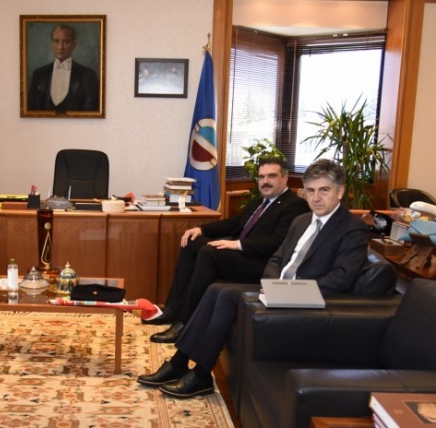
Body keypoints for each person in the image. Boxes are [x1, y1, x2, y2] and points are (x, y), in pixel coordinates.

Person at [137, 159, 369, 399]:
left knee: (225, 294)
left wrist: (291, 290)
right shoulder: (302, 221)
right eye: (311, 191)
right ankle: (181, 363)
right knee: (216, 289)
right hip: (276, 290)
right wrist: (271, 284)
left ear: (340, 191)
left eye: (324, 190)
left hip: (306, 299)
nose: (316, 198)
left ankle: (200, 373)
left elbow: (342, 278)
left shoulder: (352, 228)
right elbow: (277, 258)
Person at [146, 158, 310, 345]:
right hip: (242, 255)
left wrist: (238, 245)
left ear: (284, 178)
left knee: (209, 253)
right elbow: (234, 223)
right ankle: (172, 309)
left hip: (259, 263)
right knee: (192, 242)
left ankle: (185, 323)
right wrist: (202, 229)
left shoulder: (294, 205)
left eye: (271, 176)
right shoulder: (260, 202)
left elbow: (279, 242)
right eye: (262, 177)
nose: (265, 181)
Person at [27, 24, 99, 111]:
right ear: (52, 44)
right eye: (56, 41)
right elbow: (31, 108)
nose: (60, 47)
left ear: (74, 45)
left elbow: (91, 111)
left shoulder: (88, 75)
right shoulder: (39, 74)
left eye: (66, 42)